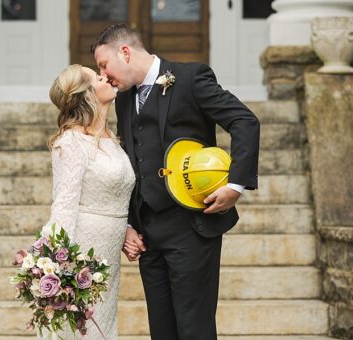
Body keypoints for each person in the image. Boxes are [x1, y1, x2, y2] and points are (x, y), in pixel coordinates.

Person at [92, 24, 260, 338]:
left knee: (194, 329)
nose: (103, 75)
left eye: (104, 65)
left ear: (125, 52)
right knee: (162, 330)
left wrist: (235, 185)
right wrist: (129, 222)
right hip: (148, 233)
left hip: (191, 228)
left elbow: (244, 121)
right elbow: (131, 160)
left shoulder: (191, 78)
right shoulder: (125, 98)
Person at [40, 64, 136, 339]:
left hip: (109, 254)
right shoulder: (71, 142)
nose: (105, 75)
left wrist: (128, 227)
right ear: (87, 93)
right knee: (77, 328)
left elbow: (118, 193)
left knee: (102, 324)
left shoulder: (112, 139)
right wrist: (58, 265)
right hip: (84, 251)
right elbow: (64, 203)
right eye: (97, 76)